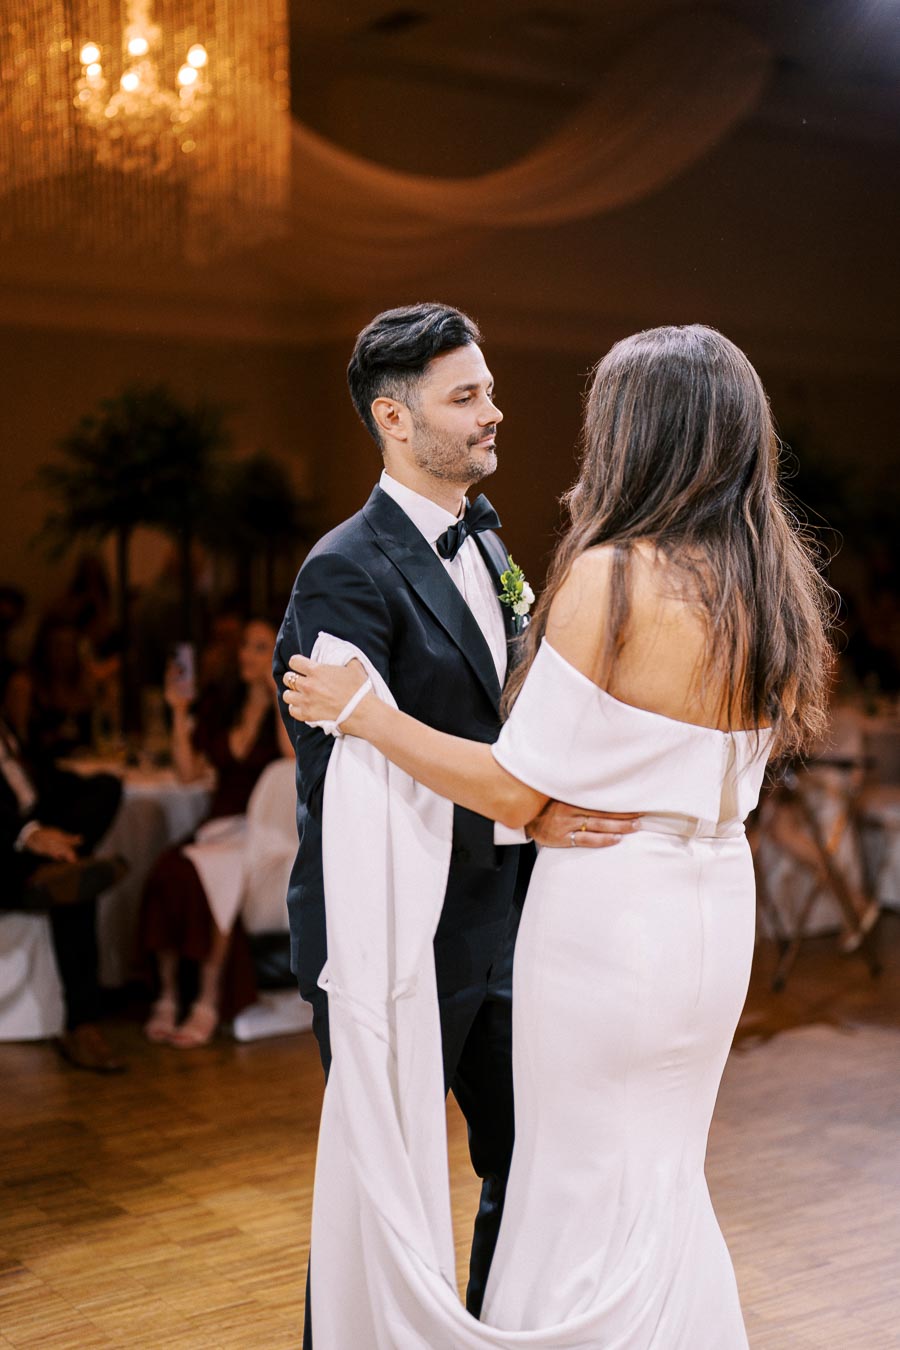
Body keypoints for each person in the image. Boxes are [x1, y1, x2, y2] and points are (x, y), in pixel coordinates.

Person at [282, 324, 833, 1346]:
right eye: (468, 395)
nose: (503, 414)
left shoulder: (613, 576)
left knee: (574, 1172)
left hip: (608, 921)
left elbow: (511, 781)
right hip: (710, 907)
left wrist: (368, 713)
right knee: (657, 1172)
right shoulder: (772, 583)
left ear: (635, 435)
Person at [273, 302, 628, 1346]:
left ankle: (493, 1329)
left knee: (533, 1158)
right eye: (465, 396)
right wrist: (525, 807)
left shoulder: (491, 542)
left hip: (508, 915)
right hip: (397, 932)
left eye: (488, 390)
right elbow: (346, 776)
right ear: (394, 417)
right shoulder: (344, 568)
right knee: (384, 1192)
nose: (493, 413)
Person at [137, 617, 293, 1048]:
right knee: (169, 869)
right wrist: (179, 711)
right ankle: (168, 995)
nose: (248, 654)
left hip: (261, 830)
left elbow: (291, 756)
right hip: (217, 827)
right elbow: (187, 774)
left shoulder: (286, 707)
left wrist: (278, 691)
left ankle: (207, 997)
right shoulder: (225, 703)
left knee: (221, 873)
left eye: (261, 647)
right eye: (246, 645)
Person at [0, 675, 126, 1073]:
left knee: (105, 787)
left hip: (27, 820)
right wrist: (28, 834)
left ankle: (57, 862)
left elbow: (33, 781)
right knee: (73, 887)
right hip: (6, 839)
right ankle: (82, 1024)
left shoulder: (8, 726)